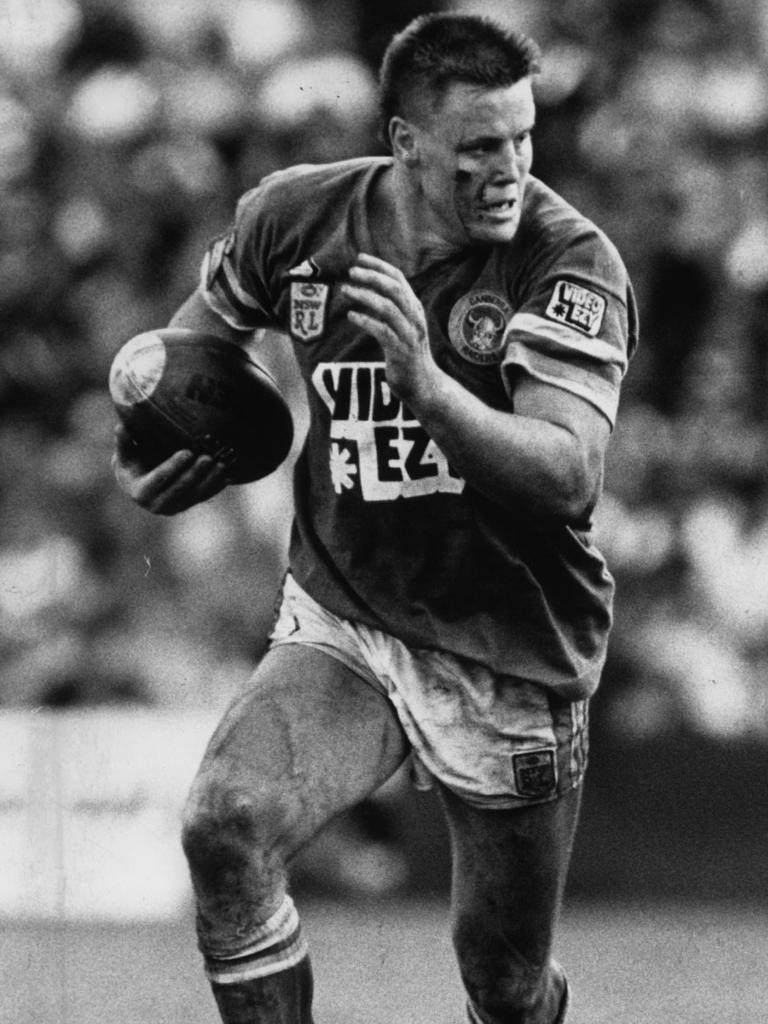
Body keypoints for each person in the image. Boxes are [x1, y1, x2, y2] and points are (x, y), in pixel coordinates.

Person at [112, 12, 637, 1024]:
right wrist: (152, 447)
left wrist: (430, 389)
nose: (511, 169)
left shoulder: (566, 259)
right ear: (405, 143)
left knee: (504, 980)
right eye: (480, 146)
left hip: (509, 643)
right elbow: (194, 356)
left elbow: (569, 473)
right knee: (226, 823)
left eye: (524, 139)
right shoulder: (294, 221)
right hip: (348, 614)